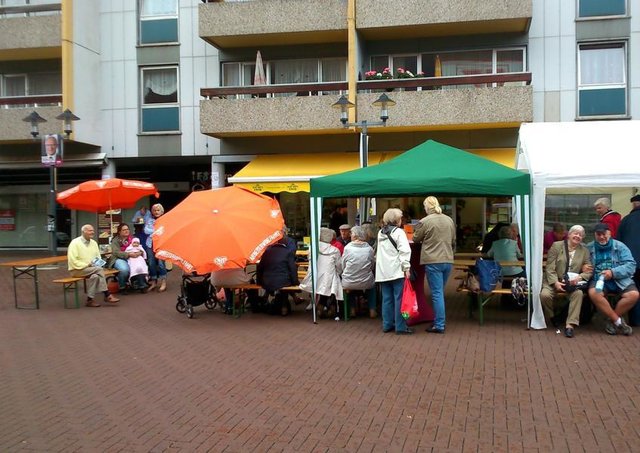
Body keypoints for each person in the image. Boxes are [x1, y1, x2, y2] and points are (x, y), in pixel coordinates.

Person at [540, 225, 592, 338]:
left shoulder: (584, 251)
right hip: (554, 279)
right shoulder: (557, 246)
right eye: (575, 233)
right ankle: (552, 316)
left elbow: (589, 270)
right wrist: (555, 282)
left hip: (571, 283)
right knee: (544, 295)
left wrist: (579, 277)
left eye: (580, 235)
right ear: (569, 234)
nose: (577, 236)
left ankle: (570, 325)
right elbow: (549, 267)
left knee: (578, 294)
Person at [413, 196, 456, 334]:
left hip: (432, 260)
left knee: (437, 293)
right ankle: (439, 321)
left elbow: (415, 239)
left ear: (426, 207)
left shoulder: (424, 221)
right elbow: (453, 239)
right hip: (447, 259)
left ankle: (439, 324)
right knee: (439, 292)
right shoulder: (449, 220)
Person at [587, 223, 638, 336]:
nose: (601, 237)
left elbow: (631, 265)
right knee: (594, 293)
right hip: (598, 279)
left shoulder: (620, 246)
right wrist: (584, 267)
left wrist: (613, 272)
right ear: (595, 235)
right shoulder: (589, 248)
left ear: (609, 233)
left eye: (604, 234)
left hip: (619, 279)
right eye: (598, 234)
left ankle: (611, 321)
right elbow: (582, 263)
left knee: (633, 295)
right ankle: (618, 321)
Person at [375, 208, 412, 335]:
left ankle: (387, 324)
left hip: (383, 271)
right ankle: (400, 327)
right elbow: (404, 251)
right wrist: (406, 268)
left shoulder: (380, 233)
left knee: (387, 299)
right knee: (399, 299)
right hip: (396, 270)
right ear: (397, 220)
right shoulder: (399, 232)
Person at [67, 224, 120, 307]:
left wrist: (99, 264)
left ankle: (89, 300)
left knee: (95, 276)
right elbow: (73, 261)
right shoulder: (75, 243)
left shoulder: (94, 243)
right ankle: (107, 294)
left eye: (93, 230)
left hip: (91, 269)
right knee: (99, 270)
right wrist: (87, 265)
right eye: (90, 230)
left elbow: (98, 258)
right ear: (83, 232)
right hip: (76, 270)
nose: (92, 232)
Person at [300, 227, 343, 317]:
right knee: (334, 283)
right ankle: (330, 307)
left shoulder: (312, 248)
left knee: (327, 284)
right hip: (329, 278)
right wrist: (338, 273)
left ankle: (321, 306)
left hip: (315, 277)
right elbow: (339, 267)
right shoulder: (335, 250)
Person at [257, 235, 299, 315]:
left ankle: (266, 298)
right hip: (283, 281)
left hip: (267, 281)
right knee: (285, 284)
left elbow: (260, 267)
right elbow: (292, 269)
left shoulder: (266, 251)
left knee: (281, 281)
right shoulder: (288, 252)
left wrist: (259, 282)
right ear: (286, 243)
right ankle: (284, 307)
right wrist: (295, 282)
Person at [341, 226, 375, 318]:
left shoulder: (347, 248)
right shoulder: (369, 249)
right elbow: (372, 265)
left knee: (351, 285)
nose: (350, 235)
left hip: (349, 282)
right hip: (366, 281)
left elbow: (343, 265)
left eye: (351, 233)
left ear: (356, 235)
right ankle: (372, 310)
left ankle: (352, 309)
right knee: (372, 288)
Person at [618, 194, 640, 326]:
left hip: (630, 262)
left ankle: (636, 320)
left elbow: (618, 242)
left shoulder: (626, 220)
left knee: (633, 289)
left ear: (633, 205)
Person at [107, 223, 139, 292]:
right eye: (124, 230)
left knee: (139, 266)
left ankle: (136, 283)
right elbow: (116, 252)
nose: (126, 231)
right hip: (118, 258)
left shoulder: (133, 239)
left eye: (127, 229)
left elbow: (139, 248)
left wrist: (139, 253)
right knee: (124, 270)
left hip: (132, 258)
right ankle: (122, 286)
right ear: (119, 232)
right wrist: (128, 254)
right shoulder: (115, 240)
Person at [144, 203, 168, 292]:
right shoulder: (149, 220)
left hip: (161, 244)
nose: (156, 212)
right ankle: (154, 281)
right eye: (154, 210)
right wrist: (156, 231)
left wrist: (153, 231)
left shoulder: (165, 220)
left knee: (161, 263)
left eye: (158, 210)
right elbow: (146, 231)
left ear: (162, 211)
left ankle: (163, 282)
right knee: (151, 263)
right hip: (150, 244)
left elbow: (164, 231)